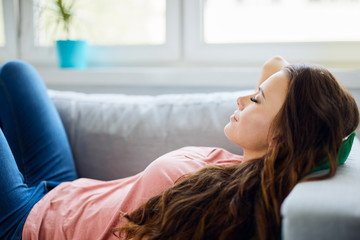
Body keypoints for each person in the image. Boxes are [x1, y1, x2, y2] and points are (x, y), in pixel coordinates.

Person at [0, 56, 358, 240]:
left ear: (280, 137)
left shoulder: (226, 212)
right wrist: (332, 126)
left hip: (29, 224)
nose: (241, 99)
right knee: (16, 73)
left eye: (256, 99)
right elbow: (276, 65)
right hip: (64, 189)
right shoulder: (247, 167)